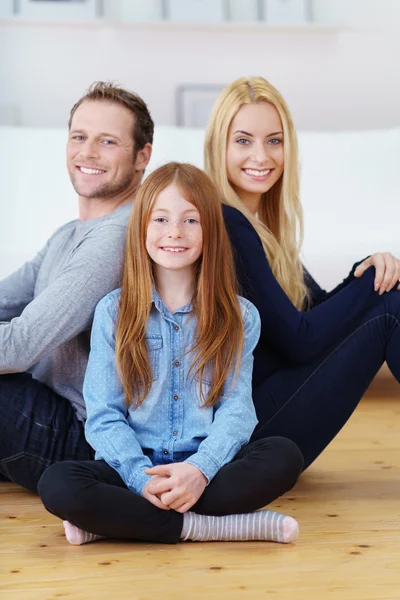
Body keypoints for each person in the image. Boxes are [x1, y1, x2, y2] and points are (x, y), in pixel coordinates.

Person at [38, 162, 303, 546]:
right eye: (160, 219)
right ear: (141, 228)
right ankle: (210, 527)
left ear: (210, 230)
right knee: (58, 484)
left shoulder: (241, 317)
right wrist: (137, 476)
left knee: (283, 456)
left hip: (207, 470)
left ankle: (120, 522)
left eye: (190, 220)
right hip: (133, 471)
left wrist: (199, 469)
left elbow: (236, 409)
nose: (174, 233)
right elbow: (104, 415)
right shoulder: (113, 312)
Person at [204, 76, 400, 470]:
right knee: (391, 307)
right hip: (247, 434)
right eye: (243, 140)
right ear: (218, 147)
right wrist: (369, 286)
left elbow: (314, 314)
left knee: (387, 294)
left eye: (273, 141)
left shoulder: (261, 227)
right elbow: (300, 340)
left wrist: (366, 269)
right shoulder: (227, 224)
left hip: (270, 411)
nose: (261, 156)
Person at [0, 82, 153, 492]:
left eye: (107, 142)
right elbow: (5, 300)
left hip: (82, 438)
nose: (87, 153)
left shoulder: (119, 237)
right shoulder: (70, 233)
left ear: (143, 156)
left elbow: (18, 347)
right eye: (79, 137)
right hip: (42, 407)